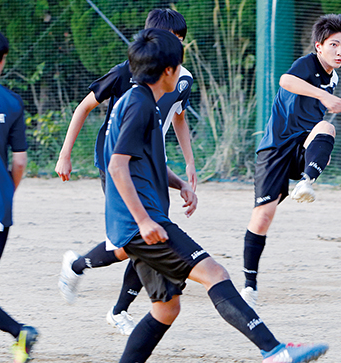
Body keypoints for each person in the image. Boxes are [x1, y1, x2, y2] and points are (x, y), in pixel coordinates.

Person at [105, 27, 328, 363]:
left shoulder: (142, 101)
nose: (181, 73)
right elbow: (117, 167)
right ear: (168, 70)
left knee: (165, 310)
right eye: (179, 66)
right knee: (215, 274)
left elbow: (143, 162)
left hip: (139, 222)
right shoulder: (138, 104)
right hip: (142, 225)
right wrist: (143, 220)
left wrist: (180, 184)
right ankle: (275, 351)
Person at [56, 8, 196, 335]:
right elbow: (84, 107)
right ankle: (118, 309)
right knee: (140, 234)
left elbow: (179, 118)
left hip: (152, 165)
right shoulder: (126, 72)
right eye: (171, 40)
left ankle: (81, 268)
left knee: (143, 236)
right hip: (116, 162)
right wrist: (65, 154)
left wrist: (188, 162)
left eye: (179, 41)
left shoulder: (182, 79)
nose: (176, 47)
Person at [241, 14, 341, 308]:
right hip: (275, 148)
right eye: (334, 45)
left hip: (302, 143)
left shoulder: (334, 76)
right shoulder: (308, 64)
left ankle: (307, 182)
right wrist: (323, 96)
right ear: (319, 46)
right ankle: (249, 285)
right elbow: (285, 80)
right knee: (262, 217)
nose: (340, 51)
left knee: (327, 128)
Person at [0, 27, 39, 363]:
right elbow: (19, 162)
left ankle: (19, 332)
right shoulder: (12, 102)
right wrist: (5, 192)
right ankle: (19, 338)